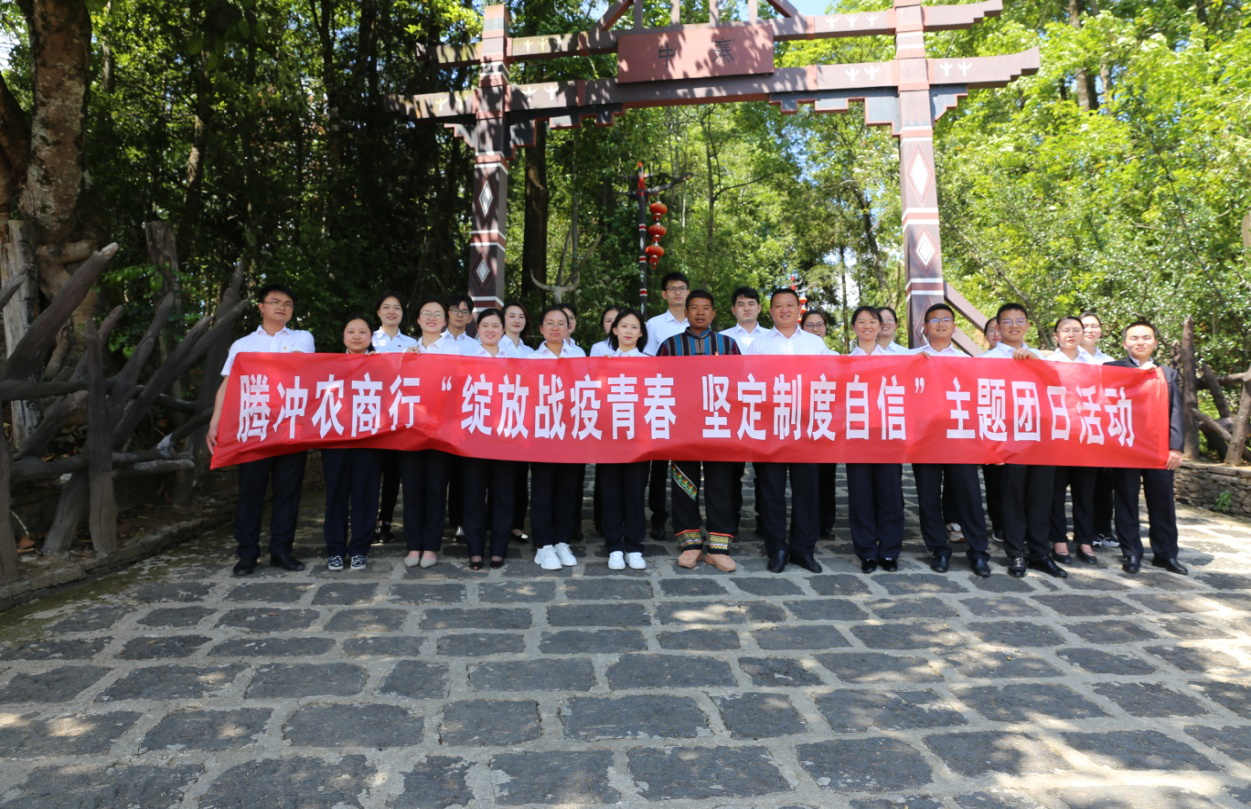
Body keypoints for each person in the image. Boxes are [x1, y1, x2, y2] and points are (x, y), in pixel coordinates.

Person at [207, 283, 315, 576]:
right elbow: (228, 384)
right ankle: (247, 553)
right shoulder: (242, 344)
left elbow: (292, 368)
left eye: (288, 303)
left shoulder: (303, 338)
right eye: (275, 301)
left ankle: (281, 550)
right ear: (261, 307)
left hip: (291, 427)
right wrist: (215, 422)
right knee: (250, 491)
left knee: (288, 491)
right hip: (253, 428)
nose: (282, 307)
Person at [980, 303, 1067, 579]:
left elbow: (1058, 388)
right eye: (1007, 321)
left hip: (1040, 440)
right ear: (998, 328)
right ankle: (1016, 552)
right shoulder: (987, 360)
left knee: (1041, 498)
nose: (1014, 326)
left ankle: (1040, 553)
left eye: (1020, 321)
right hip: (1009, 441)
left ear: (1028, 326)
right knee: (1012, 499)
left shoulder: (1041, 357)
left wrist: (1035, 363)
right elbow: (982, 401)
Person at [657, 289, 741, 572]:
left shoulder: (728, 344)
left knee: (721, 484)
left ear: (714, 313)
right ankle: (690, 544)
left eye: (706, 308)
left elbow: (741, 383)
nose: (701, 312)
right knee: (684, 484)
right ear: (686, 312)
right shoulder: (670, 345)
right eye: (694, 307)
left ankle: (718, 548)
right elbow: (658, 383)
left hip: (719, 426)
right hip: (683, 426)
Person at [747, 289, 828, 574]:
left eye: (790, 305)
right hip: (772, 428)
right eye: (778, 306)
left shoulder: (815, 344)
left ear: (798, 310)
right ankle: (777, 549)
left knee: (807, 491)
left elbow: (832, 378)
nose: (784, 310)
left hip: (806, 428)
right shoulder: (758, 345)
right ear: (770, 311)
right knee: (771, 491)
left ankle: (803, 549)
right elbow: (749, 383)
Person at [911, 303, 992, 576]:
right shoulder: (911, 359)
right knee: (928, 497)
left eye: (946, 319)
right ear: (925, 328)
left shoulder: (968, 362)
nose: (941, 324)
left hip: (960, 439)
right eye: (934, 320)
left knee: (969, 495)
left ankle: (978, 552)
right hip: (925, 440)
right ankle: (938, 549)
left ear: (954, 327)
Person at [1108, 321, 1187, 575]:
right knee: (1126, 500)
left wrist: (1175, 448)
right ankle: (1131, 552)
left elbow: (1176, 412)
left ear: (1154, 342)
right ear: (1125, 343)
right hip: (1125, 446)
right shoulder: (1111, 369)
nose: (1140, 342)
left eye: (1146, 337)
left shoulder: (1167, 374)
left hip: (1158, 448)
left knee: (1162, 501)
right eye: (1134, 338)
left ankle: (1166, 554)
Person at [400, 297, 459, 569]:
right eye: (427, 313)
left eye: (437, 314)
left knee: (436, 489)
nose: (432, 318)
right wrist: (405, 362)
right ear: (418, 320)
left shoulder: (454, 350)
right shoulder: (406, 349)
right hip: (411, 431)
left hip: (441, 432)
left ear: (445, 321)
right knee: (412, 490)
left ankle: (431, 546)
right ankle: (413, 545)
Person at [845, 306, 904, 572]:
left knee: (890, 495)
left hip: (888, 437)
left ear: (881, 326)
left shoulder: (898, 360)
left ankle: (890, 552)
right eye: (861, 322)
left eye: (872, 321)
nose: (867, 326)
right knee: (860, 497)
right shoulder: (843, 362)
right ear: (854, 327)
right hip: (856, 438)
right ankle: (866, 551)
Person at [526, 306, 586, 571]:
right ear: (541, 329)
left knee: (567, 489)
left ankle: (562, 540)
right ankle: (543, 545)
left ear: (568, 328)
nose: (555, 327)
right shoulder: (530, 358)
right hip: (542, 433)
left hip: (571, 433)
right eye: (549, 323)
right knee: (543, 489)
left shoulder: (579, 355)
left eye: (561, 323)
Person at [322, 313, 383, 572]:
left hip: (370, 439)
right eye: (351, 331)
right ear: (343, 336)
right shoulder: (328, 365)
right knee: (335, 493)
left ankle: (359, 549)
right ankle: (335, 549)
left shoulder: (383, 365)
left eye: (362, 332)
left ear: (371, 336)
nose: (356, 336)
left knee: (365, 494)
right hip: (335, 439)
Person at [460, 309, 518, 570]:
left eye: (496, 325)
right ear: (478, 329)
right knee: (473, 494)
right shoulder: (466, 357)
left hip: (506, 436)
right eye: (486, 325)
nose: (491, 330)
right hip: (474, 437)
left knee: (504, 495)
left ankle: (498, 549)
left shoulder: (516, 358)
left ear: (503, 330)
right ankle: (474, 549)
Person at [598, 308, 650, 571]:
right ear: (615, 330)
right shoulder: (601, 363)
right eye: (624, 326)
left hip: (638, 441)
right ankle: (614, 546)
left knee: (634, 493)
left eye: (634, 327)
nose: (629, 331)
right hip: (608, 440)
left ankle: (635, 545)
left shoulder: (651, 363)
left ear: (641, 333)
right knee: (610, 494)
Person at [1048, 316, 1099, 567]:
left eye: (1076, 330)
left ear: (1083, 334)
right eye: (1065, 330)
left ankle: (1085, 541)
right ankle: (1058, 540)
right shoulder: (1046, 363)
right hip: (1056, 438)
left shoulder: (1099, 365)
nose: (1071, 334)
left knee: (1085, 493)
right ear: (1056, 335)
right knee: (1055, 493)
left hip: (1086, 439)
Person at [720, 286, 772, 534]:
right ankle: (731, 521)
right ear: (733, 309)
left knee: (766, 471)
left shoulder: (773, 337)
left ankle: (765, 520)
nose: (746, 308)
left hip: (766, 411)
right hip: (733, 410)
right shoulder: (722, 338)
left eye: (751, 303)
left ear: (759, 307)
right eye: (741, 304)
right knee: (732, 471)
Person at [645, 272, 691, 538]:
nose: (677, 293)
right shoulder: (653, 325)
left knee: (687, 460)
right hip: (663, 399)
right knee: (660, 463)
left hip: (691, 402)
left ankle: (687, 515)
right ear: (664, 294)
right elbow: (647, 362)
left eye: (682, 288)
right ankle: (659, 516)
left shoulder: (697, 320)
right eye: (672, 289)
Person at [371, 291, 417, 545]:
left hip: (400, 418)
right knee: (369, 472)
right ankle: (366, 522)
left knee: (392, 473)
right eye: (386, 307)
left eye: (396, 308)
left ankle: (385, 521)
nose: (391, 312)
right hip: (371, 417)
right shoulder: (367, 339)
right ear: (378, 312)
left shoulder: (412, 343)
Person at [1079, 309, 1118, 550]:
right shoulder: (1066, 359)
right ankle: (1086, 531)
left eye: (1094, 326)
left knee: (1105, 482)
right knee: (1084, 483)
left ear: (1101, 331)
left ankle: (1104, 529)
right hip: (1075, 429)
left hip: (1103, 429)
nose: (1090, 330)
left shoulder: (1111, 361)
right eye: (1085, 326)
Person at [799, 309, 838, 537]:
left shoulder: (835, 356)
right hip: (799, 422)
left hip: (826, 422)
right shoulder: (796, 355)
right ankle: (808, 522)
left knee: (826, 476)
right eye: (809, 325)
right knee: (806, 477)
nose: (815, 329)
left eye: (819, 325)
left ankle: (825, 523)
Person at [502, 301, 533, 542]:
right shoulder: (493, 347)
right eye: (511, 315)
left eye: (520, 316)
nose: (516, 320)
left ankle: (516, 523)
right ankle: (499, 521)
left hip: (523, 419)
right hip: (498, 419)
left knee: (521, 475)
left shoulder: (531, 352)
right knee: (501, 475)